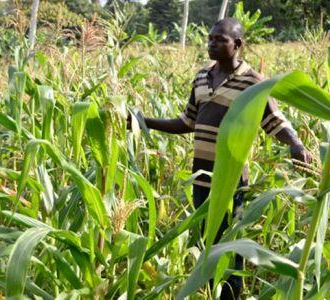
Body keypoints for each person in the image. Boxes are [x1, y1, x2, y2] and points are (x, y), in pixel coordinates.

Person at [129, 17, 311, 300]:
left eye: (219, 40)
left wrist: (296, 143)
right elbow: (187, 123)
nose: (211, 44)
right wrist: (144, 122)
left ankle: (231, 295)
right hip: (200, 176)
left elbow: (275, 121)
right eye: (210, 39)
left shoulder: (253, 82)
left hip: (230, 179)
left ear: (237, 44)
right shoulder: (202, 77)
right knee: (207, 240)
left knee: (229, 245)